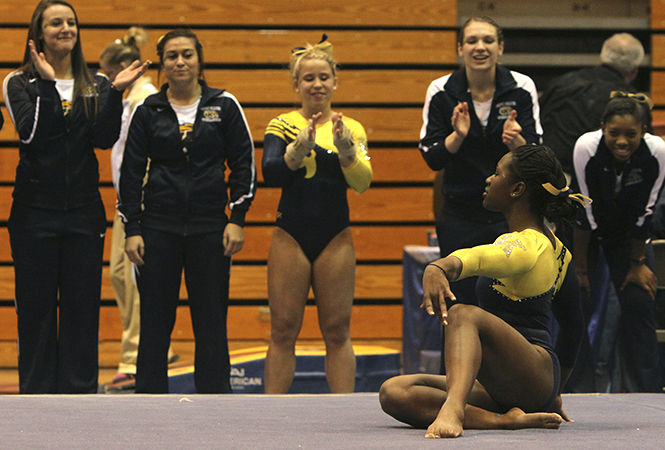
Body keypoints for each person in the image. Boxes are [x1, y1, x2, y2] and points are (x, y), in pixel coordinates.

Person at [379, 145, 585, 438]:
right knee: (395, 391)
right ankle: (503, 420)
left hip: (531, 371)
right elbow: (574, 327)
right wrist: (554, 391)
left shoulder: (529, 245)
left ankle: (453, 409)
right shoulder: (558, 250)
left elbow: (480, 257)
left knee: (463, 314)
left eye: (498, 173)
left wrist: (441, 267)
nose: (488, 179)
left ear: (517, 189)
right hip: (502, 383)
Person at [2, 0, 148, 394]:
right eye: (55, 23)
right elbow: (32, 136)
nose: (65, 28)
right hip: (34, 214)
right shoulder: (19, 82)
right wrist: (49, 85)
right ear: (38, 35)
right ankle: (36, 395)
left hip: (83, 214)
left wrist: (114, 94)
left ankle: (80, 395)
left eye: (70, 22)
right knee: (37, 310)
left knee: (82, 309)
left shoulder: (96, 83)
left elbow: (102, 140)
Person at [118, 29, 256, 394]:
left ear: (199, 59)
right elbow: (130, 173)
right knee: (154, 323)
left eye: (187, 55)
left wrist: (237, 219)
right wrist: (133, 227)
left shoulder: (224, 105)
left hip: (210, 229)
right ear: (162, 64)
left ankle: (216, 403)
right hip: (157, 230)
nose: (180, 62)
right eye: (172, 56)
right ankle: (148, 400)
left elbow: (244, 165)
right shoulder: (149, 110)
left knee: (211, 321)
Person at [419, 16, 542, 372]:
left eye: (488, 40)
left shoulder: (522, 87)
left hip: (512, 218)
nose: (480, 47)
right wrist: (456, 137)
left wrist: (520, 144)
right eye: (472, 40)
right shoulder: (441, 91)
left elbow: (539, 155)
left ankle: (514, 384)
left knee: (511, 306)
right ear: (460, 48)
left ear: (500, 48)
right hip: (461, 218)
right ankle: (456, 387)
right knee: (457, 308)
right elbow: (431, 157)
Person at [262, 35, 372, 394]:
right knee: (282, 329)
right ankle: (271, 412)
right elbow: (271, 173)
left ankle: (343, 412)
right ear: (296, 84)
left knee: (338, 330)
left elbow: (363, 183)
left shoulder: (350, 128)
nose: (317, 85)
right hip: (290, 234)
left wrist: (346, 152)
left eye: (323, 77)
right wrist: (296, 151)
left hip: (335, 236)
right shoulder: (281, 124)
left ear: (335, 81)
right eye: (308, 78)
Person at [99, 27, 176, 391]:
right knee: (118, 274)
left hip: (141, 201)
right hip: (123, 201)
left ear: (126, 67)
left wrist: (139, 205)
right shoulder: (127, 99)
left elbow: (144, 154)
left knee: (134, 278)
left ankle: (135, 356)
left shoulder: (145, 99)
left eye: (106, 72)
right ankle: (155, 347)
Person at [572, 94, 665, 392]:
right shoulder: (586, 147)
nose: (622, 141)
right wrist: (581, 269)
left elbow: (646, 210)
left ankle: (647, 391)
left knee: (639, 300)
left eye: (631, 134)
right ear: (602, 128)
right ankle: (574, 388)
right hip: (584, 232)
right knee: (576, 302)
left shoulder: (657, 152)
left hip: (628, 236)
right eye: (614, 133)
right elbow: (583, 211)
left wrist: (637, 264)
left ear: (644, 131)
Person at [540, 33, 646, 176]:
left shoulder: (561, 83)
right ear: (635, 70)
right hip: (586, 180)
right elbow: (641, 153)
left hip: (543, 174)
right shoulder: (632, 103)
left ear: (603, 56)